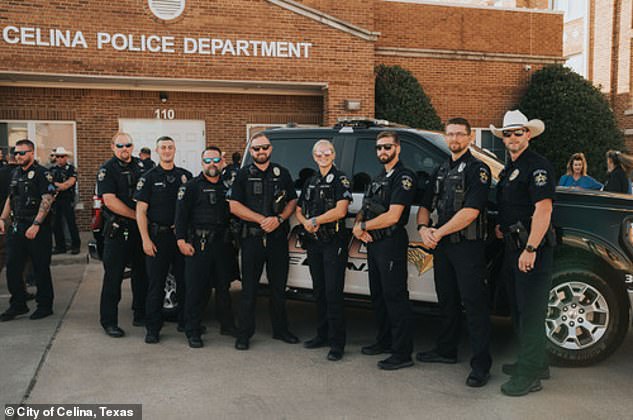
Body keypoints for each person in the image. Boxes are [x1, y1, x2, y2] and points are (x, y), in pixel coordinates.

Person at [416, 118, 492, 387]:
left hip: (467, 247)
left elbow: (471, 211)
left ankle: (481, 365)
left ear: (470, 137)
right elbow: (425, 204)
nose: (455, 139)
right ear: (445, 137)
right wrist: (424, 228)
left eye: (460, 134)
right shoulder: (439, 170)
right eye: (450, 134)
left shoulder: (477, 169)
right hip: (443, 246)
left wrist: (438, 232)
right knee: (446, 300)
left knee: (473, 304)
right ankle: (446, 350)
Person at [490, 110, 556, 396]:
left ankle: (529, 376)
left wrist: (531, 248)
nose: (513, 138)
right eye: (508, 134)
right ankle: (537, 363)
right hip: (512, 248)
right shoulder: (509, 169)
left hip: (531, 251)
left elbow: (543, 209)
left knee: (529, 312)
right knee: (519, 310)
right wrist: (502, 228)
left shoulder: (537, 167)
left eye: (518, 132)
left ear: (528, 134)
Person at [352, 131, 416, 370]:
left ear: (397, 148)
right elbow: (366, 206)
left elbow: (393, 216)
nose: (382, 152)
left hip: (391, 242)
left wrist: (363, 227)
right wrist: (359, 225)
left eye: (387, 147)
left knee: (395, 296)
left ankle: (402, 353)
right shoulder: (378, 176)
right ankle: (384, 341)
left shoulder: (403, 177)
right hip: (374, 243)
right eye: (379, 148)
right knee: (378, 296)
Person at [229, 132, 298, 350]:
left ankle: (281, 330)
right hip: (252, 239)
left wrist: (278, 219)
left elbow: (292, 200)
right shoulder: (242, 175)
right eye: (256, 149)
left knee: (278, 289)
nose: (261, 152)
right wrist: (262, 220)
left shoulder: (282, 173)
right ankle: (244, 334)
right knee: (249, 290)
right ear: (251, 152)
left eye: (264, 148)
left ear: (270, 149)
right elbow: (234, 205)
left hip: (277, 239)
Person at [295, 139, 352, 361]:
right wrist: (305, 222)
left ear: (334, 154)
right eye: (319, 154)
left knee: (333, 293)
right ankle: (322, 335)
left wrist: (315, 219)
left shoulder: (341, 179)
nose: (323, 156)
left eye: (327, 152)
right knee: (318, 290)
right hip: (314, 241)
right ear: (314, 156)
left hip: (333, 242)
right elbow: (299, 209)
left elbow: (341, 210)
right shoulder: (311, 180)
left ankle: (337, 344)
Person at [175, 146, 235, 348]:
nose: (212, 164)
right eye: (207, 160)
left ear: (221, 163)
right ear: (202, 164)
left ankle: (227, 325)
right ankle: (192, 330)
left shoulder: (228, 186)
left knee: (223, 287)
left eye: (216, 160)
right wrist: (181, 241)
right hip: (198, 245)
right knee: (196, 289)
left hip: (222, 245)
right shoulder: (191, 187)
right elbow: (180, 216)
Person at [134, 136, 192, 344]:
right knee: (156, 285)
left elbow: (191, 207)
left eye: (170, 147)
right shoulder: (148, 177)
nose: (167, 150)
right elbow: (140, 211)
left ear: (175, 149)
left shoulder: (185, 176)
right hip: (157, 238)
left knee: (185, 281)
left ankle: (186, 322)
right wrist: (145, 240)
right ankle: (153, 328)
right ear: (157, 151)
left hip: (180, 239)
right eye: (163, 148)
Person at [97, 132, 148, 338]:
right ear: (112, 147)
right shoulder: (107, 170)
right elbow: (109, 200)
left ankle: (140, 314)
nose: (124, 149)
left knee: (142, 274)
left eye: (127, 145)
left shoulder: (144, 166)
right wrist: (138, 216)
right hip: (119, 230)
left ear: (133, 146)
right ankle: (109, 321)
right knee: (113, 277)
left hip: (140, 231)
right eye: (120, 146)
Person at [0, 139, 56, 321]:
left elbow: (47, 199)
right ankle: (18, 304)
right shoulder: (15, 173)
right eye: (16, 153)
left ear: (32, 153)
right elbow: (11, 197)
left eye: (22, 153)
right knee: (13, 267)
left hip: (37, 228)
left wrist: (37, 224)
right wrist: (2, 218)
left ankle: (45, 305)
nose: (18, 156)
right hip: (17, 226)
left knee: (40, 268)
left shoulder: (42, 173)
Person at [50, 147, 81, 254]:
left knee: (70, 222)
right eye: (57, 156)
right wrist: (58, 185)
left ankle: (75, 245)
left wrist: (55, 185)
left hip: (67, 199)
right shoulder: (52, 170)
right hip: (55, 200)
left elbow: (67, 185)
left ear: (66, 157)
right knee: (56, 224)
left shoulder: (71, 169)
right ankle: (60, 246)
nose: (59, 159)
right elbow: (48, 184)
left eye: (62, 156)